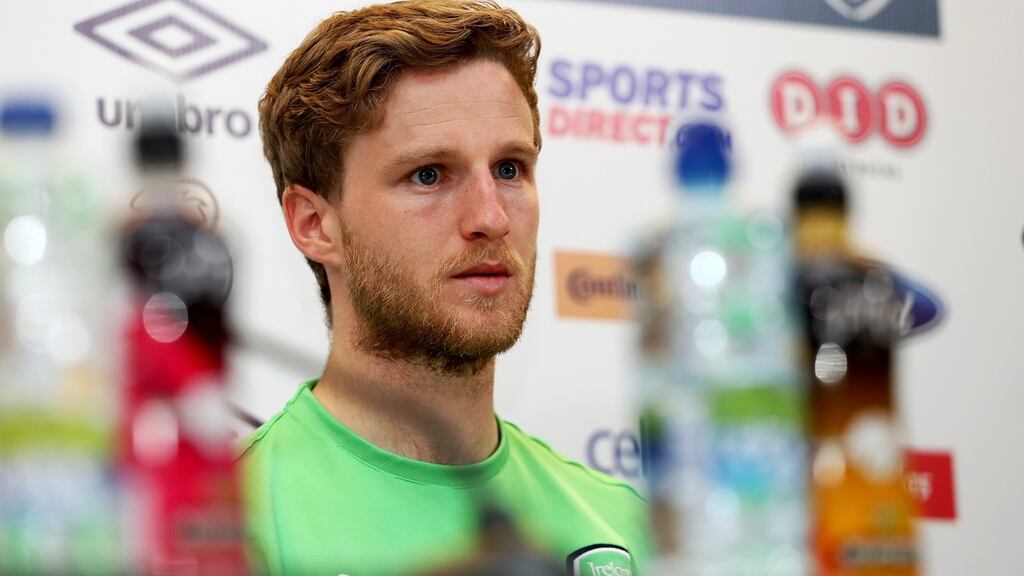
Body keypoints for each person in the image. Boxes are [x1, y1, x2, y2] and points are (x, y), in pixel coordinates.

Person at [242, 1, 649, 574]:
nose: (491, 217)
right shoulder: (229, 526)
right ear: (315, 225)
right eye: (429, 175)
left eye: (510, 169)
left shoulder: (625, 526)